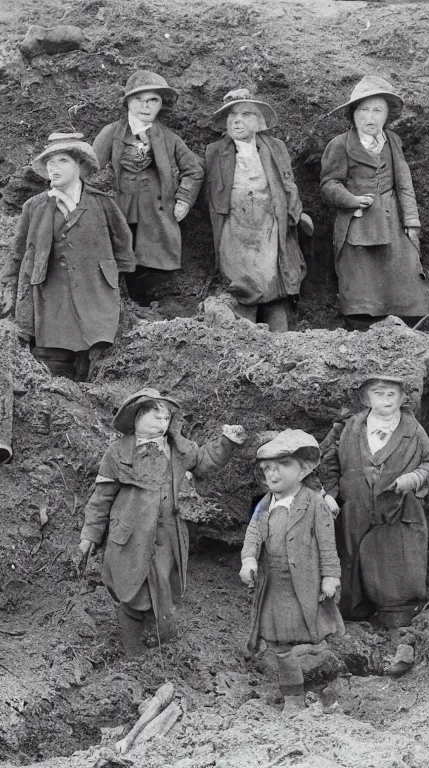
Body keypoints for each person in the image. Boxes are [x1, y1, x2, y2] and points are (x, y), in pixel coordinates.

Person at [78, 388, 246, 657]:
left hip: (168, 532)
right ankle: (132, 649)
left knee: (163, 582)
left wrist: (226, 442)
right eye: (155, 416)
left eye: (166, 417)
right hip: (129, 534)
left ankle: (162, 639)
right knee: (128, 583)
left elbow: (203, 461)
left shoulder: (180, 449)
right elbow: (102, 497)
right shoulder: (117, 452)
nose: (162, 422)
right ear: (135, 417)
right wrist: (90, 535)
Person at [0, 132, 135, 380]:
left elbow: (123, 246)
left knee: (96, 362)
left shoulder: (102, 204)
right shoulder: (35, 206)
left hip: (95, 295)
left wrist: (113, 281)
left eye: (62, 161)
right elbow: (19, 252)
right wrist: (9, 286)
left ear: (80, 165)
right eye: (50, 162)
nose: (54, 168)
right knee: (51, 364)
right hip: (51, 297)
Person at [320, 374, 429, 632]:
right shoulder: (349, 427)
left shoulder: (413, 430)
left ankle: (396, 617)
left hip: (398, 510)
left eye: (391, 394)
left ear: (403, 398)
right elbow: (327, 460)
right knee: (352, 560)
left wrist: (412, 479)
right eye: (379, 394)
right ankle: (354, 612)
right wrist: (329, 492)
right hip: (355, 508)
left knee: (396, 561)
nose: (385, 400)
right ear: (366, 399)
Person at [239, 430, 344, 712]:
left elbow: (327, 544)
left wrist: (330, 577)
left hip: (306, 587)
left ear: (304, 470)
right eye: (268, 469)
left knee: (313, 643)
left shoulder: (314, 503)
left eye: (282, 466)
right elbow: (253, 535)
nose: (273, 475)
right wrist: (248, 560)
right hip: (274, 587)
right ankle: (294, 698)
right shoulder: (264, 504)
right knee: (280, 646)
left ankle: (326, 693)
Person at [320, 75, 429, 331]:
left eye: (377, 110)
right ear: (352, 115)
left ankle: (407, 331)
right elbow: (328, 185)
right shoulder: (339, 145)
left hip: (392, 220)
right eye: (363, 110)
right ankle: (363, 331)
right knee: (362, 287)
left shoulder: (392, 141)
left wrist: (412, 222)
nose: (370, 118)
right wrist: (351, 200)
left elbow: (404, 183)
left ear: (386, 115)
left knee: (405, 280)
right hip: (357, 225)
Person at [92, 70, 204, 306]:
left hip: (154, 209)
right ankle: (116, 299)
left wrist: (183, 200)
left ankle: (142, 302)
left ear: (161, 104)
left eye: (153, 100)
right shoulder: (111, 132)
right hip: (119, 206)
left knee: (149, 257)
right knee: (117, 248)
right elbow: (89, 168)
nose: (145, 106)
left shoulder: (168, 137)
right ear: (127, 103)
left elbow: (194, 170)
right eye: (138, 100)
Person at [206, 89, 312, 332]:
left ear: (258, 121)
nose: (237, 121)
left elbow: (288, 184)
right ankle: (245, 334)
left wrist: (295, 215)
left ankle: (280, 335)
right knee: (242, 282)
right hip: (235, 225)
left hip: (269, 224)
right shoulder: (215, 151)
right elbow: (211, 195)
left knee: (273, 277)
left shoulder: (275, 147)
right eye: (232, 116)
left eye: (245, 114)